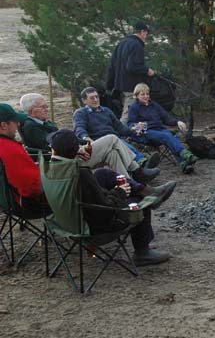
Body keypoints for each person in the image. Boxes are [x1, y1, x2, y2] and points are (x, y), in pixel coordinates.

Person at [47, 129, 171, 266]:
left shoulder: (48, 170)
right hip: (93, 227)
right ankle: (143, 252)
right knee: (140, 203)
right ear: (74, 151)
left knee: (103, 173)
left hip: (67, 220)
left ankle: (147, 190)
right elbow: (103, 209)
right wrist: (119, 192)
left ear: (53, 149)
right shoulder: (80, 174)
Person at [19, 93, 159, 183]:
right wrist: (80, 146)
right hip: (65, 163)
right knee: (111, 139)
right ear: (32, 111)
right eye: (42, 106)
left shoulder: (43, 122)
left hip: (73, 154)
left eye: (46, 106)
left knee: (113, 154)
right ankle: (138, 171)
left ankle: (130, 186)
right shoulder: (31, 127)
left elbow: (66, 137)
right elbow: (53, 143)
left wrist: (84, 143)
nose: (46, 108)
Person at [73, 86, 159, 170]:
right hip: (97, 142)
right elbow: (79, 129)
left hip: (114, 141)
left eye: (97, 97)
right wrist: (87, 139)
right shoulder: (81, 113)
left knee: (117, 141)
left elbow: (120, 128)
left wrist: (134, 129)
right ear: (84, 101)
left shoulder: (106, 111)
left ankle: (139, 167)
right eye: (92, 98)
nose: (96, 100)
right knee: (115, 139)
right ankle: (142, 162)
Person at [127, 83, 198, 174]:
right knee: (167, 135)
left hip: (159, 130)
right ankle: (186, 154)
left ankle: (184, 164)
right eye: (142, 94)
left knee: (171, 136)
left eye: (147, 94)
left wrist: (177, 122)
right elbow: (130, 124)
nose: (146, 96)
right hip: (146, 133)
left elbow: (166, 117)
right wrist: (137, 125)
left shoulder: (154, 105)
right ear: (136, 96)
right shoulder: (134, 107)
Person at [105, 21, 156, 124]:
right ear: (142, 32)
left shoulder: (121, 43)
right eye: (146, 33)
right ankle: (118, 136)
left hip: (120, 85)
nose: (146, 36)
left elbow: (112, 66)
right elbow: (132, 66)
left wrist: (109, 85)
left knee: (133, 114)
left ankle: (130, 136)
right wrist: (147, 70)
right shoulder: (137, 45)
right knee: (127, 115)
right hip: (131, 87)